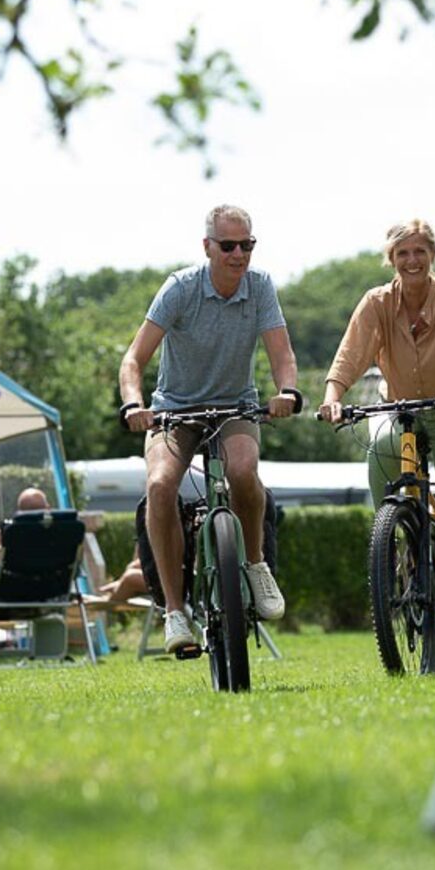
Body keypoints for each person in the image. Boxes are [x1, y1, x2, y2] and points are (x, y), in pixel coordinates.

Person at [118, 204, 301, 654]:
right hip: (175, 410)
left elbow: (282, 355)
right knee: (160, 486)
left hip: (234, 405)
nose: (239, 254)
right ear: (208, 247)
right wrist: (133, 404)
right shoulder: (180, 288)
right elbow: (133, 360)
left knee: (243, 471)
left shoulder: (260, 288)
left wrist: (288, 392)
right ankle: (175, 612)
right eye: (228, 246)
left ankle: (255, 564)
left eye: (247, 245)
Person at [319, 219, 435, 673]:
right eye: (402, 254)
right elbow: (350, 354)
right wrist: (333, 397)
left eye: (419, 252)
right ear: (391, 260)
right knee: (379, 454)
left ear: (432, 255)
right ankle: (398, 542)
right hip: (400, 411)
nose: (411, 261)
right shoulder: (377, 303)